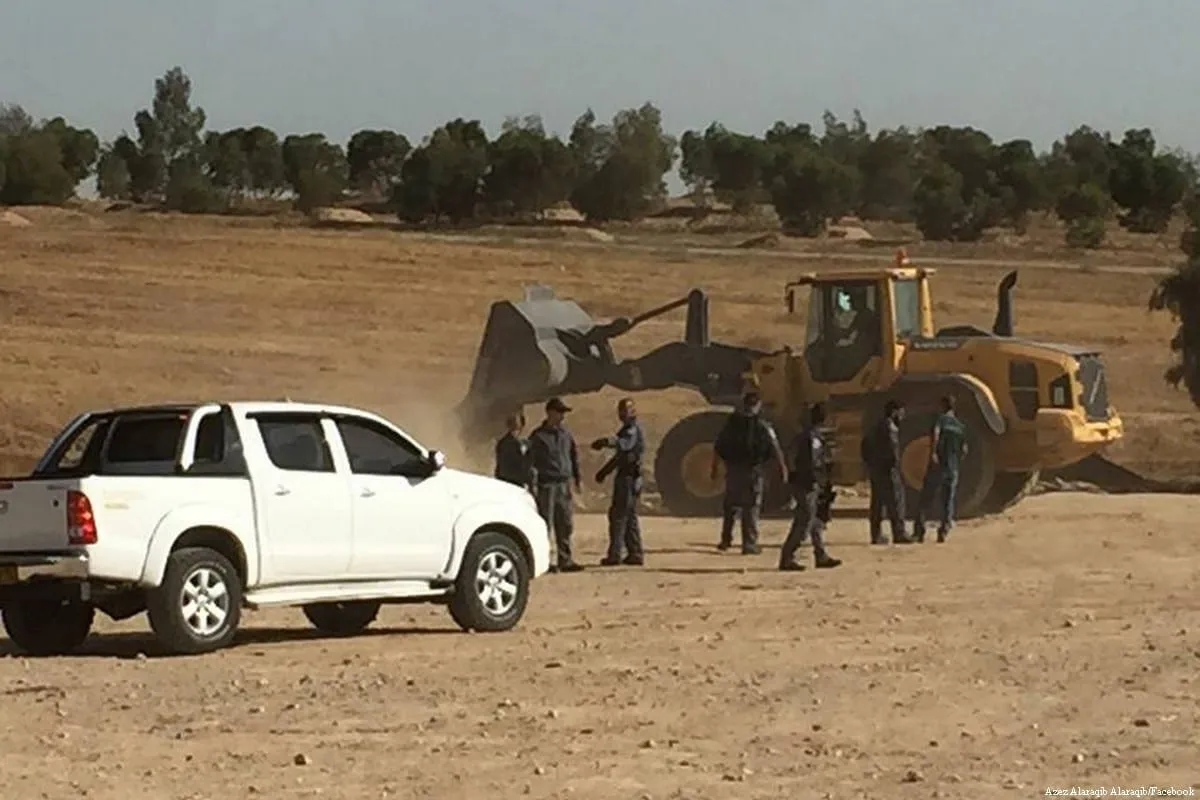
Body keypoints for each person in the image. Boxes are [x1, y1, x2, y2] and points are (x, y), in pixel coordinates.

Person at [710, 389, 787, 555]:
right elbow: (775, 448)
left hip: (733, 471)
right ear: (758, 405)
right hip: (752, 471)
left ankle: (725, 540)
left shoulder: (731, 424)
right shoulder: (762, 425)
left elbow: (718, 446)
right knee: (751, 507)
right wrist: (783, 469)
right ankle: (749, 544)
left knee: (730, 506)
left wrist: (715, 468)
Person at [779, 403, 842, 571]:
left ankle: (820, 554)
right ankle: (787, 556)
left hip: (808, 482)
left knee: (815, 521)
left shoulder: (807, 436)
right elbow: (812, 463)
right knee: (805, 520)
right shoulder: (811, 438)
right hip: (808, 483)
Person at [528, 397, 584, 573]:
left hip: (563, 484)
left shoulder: (565, 434)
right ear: (550, 412)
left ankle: (565, 559)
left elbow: (573, 456)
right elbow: (530, 462)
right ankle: (546, 561)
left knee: (565, 523)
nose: (562, 416)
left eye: (563, 413)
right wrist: (532, 484)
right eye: (559, 412)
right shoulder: (538, 436)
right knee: (546, 524)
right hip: (547, 485)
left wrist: (577, 479)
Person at [591, 397, 646, 566]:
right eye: (621, 410)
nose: (622, 414)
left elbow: (625, 445)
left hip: (628, 479)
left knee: (618, 516)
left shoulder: (632, 430)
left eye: (626, 410)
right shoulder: (627, 429)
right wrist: (604, 471)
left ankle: (615, 554)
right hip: (628, 476)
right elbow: (620, 458)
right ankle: (635, 553)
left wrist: (606, 442)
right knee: (628, 516)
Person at [913, 395, 968, 543]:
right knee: (947, 501)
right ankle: (943, 530)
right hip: (952, 468)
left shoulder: (939, 420)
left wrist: (934, 454)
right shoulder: (960, 425)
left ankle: (919, 531)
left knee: (926, 498)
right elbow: (964, 450)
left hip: (937, 467)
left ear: (942, 406)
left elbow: (935, 436)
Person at [862, 399, 914, 545]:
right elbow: (893, 451)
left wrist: (871, 464)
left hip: (876, 470)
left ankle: (876, 535)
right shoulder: (890, 427)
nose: (903, 416)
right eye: (901, 412)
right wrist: (895, 466)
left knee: (877, 503)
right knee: (896, 502)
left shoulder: (875, 427)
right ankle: (899, 533)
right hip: (888, 471)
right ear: (894, 412)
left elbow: (865, 446)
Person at [493, 411, 533, 490]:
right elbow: (504, 466)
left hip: (521, 483)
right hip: (509, 483)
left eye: (517, 423)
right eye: (513, 423)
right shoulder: (504, 443)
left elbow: (528, 461)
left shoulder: (526, 443)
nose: (515, 426)